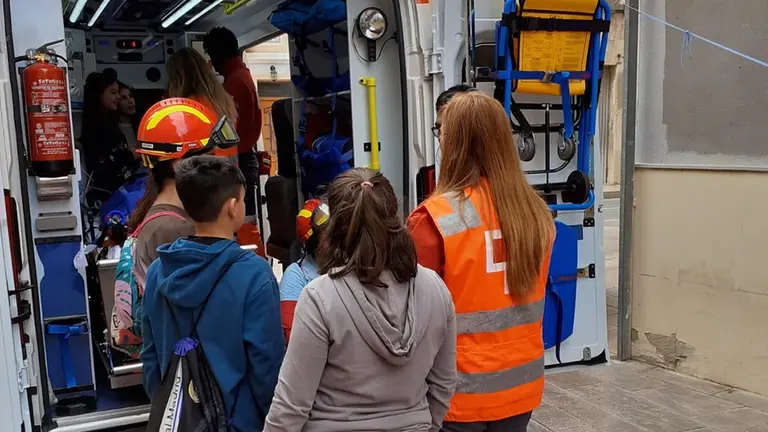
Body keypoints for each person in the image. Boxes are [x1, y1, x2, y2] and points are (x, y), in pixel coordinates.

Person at [264, 168, 457, 432]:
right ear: (395, 217)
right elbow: (444, 383)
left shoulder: (320, 298)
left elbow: (290, 407)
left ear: (334, 226)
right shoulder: (436, 289)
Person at [407, 91, 555, 432]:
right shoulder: (537, 214)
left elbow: (414, 317)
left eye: (442, 133)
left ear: (455, 143)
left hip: (458, 394)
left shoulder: (433, 220)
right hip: (521, 387)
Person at [141, 155, 284, 430]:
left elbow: (150, 357)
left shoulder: (159, 271)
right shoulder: (254, 275)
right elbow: (266, 369)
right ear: (232, 207)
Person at [112, 97, 240, 352]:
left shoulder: (161, 216)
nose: (220, 166)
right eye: (210, 157)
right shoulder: (174, 229)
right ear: (179, 165)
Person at [203, 27, 266, 247]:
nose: (211, 61)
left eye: (211, 54)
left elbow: (227, 131)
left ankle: (250, 265)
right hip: (244, 158)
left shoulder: (234, 84)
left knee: (242, 221)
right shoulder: (242, 76)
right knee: (245, 218)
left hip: (238, 159)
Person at [81, 70, 140, 209]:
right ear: (99, 95)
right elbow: (105, 171)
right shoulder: (95, 129)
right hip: (105, 202)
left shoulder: (111, 126)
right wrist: (131, 156)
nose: (118, 97)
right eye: (113, 92)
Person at [278, 198, 329, 342]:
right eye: (328, 233)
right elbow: (291, 334)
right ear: (314, 243)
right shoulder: (295, 276)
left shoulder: (347, 264)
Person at [117, 81, 139, 151]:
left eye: (130, 96)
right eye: (123, 98)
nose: (130, 101)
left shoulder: (140, 126)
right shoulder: (114, 131)